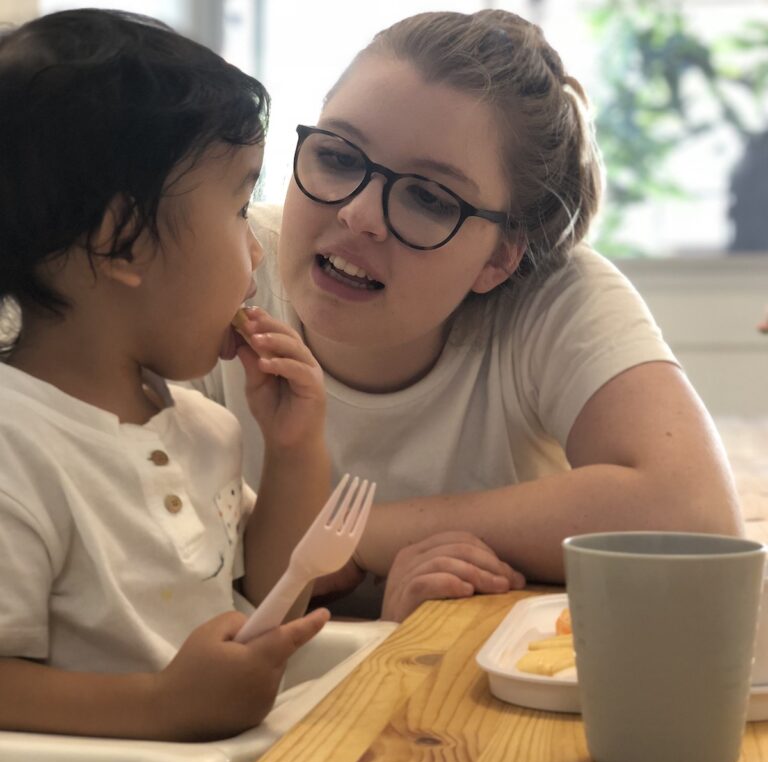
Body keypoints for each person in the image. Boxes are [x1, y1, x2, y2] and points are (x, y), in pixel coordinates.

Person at [194, 9, 743, 621]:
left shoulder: (552, 296)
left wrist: (354, 536)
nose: (359, 214)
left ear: (502, 257)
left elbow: (697, 519)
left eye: (428, 197)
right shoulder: (218, 263)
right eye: (339, 157)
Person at [0, 9, 332, 741]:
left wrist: (294, 450)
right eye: (239, 209)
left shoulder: (202, 428)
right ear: (123, 242)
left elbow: (273, 593)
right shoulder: (14, 444)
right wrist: (160, 705)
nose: (256, 252)